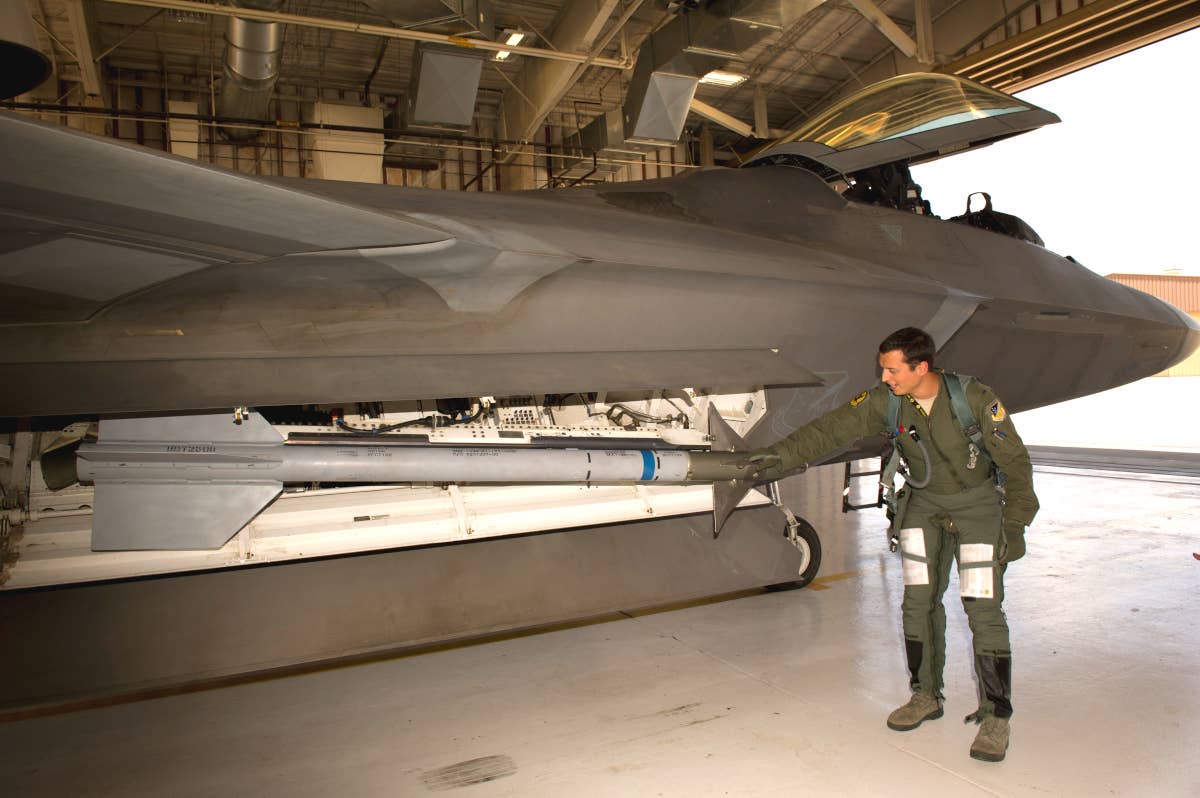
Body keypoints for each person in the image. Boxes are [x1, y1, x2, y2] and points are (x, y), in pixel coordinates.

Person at [746, 327, 1038, 763]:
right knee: (917, 603)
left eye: (892, 369)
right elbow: (831, 429)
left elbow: (1015, 463)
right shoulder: (887, 403)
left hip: (977, 509)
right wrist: (776, 458)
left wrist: (1013, 527)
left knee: (983, 609)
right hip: (922, 507)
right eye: (883, 368)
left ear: (921, 367)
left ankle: (996, 716)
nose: (884, 377)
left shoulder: (974, 399)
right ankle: (926, 696)